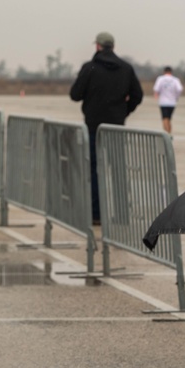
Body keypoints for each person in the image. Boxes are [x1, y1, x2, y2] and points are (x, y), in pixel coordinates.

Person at [69, 32, 144, 224]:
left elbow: (75, 95)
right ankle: (122, 214)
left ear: (98, 46)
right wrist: (124, 111)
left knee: (94, 170)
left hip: (94, 126)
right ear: (113, 46)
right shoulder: (126, 68)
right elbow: (137, 95)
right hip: (116, 126)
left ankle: (96, 214)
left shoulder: (90, 68)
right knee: (118, 170)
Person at [152, 66, 183, 135]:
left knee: (165, 119)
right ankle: (169, 133)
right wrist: (176, 97)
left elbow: (156, 89)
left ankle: (167, 134)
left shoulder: (160, 79)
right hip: (172, 102)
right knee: (169, 119)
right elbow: (179, 89)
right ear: (171, 72)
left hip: (163, 102)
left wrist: (158, 93)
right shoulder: (175, 80)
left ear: (164, 72)